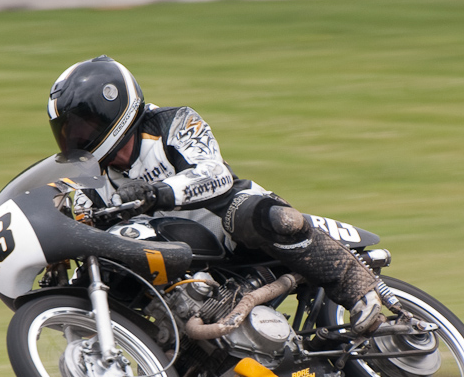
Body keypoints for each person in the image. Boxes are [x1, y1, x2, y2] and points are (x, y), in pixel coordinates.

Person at [47, 55, 384, 335]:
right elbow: (73, 209)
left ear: (110, 109)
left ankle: (358, 290)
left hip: (232, 226)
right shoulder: (93, 178)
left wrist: (157, 193)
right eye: (67, 132)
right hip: (183, 256)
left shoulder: (174, 123)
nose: (76, 139)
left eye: (82, 128)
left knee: (263, 217)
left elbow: (215, 174)